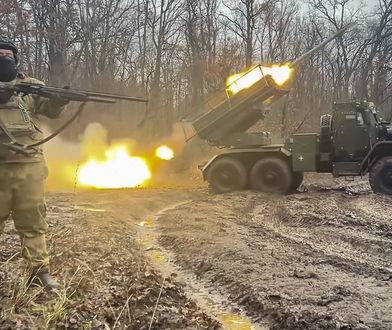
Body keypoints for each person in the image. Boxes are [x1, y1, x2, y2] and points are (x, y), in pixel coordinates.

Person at [0, 37, 68, 290]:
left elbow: (49, 109)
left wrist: (59, 99)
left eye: (8, 54)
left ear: (16, 60)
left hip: (29, 166)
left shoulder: (29, 87)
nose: (3, 58)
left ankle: (39, 272)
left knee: (33, 222)